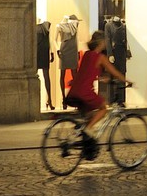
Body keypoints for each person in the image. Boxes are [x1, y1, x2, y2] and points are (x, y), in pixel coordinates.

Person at [65, 30, 130, 158]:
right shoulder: (100, 57)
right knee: (103, 108)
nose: (106, 43)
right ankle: (88, 130)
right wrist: (127, 81)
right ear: (100, 42)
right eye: (105, 41)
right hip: (85, 91)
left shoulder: (87, 55)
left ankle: (81, 144)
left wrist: (103, 78)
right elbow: (114, 72)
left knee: (89, 116)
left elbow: (88, 72)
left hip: (75, 90)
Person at [36, 19, 54, 111]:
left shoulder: (33, 26)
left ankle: (48, 100)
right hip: (43, 51)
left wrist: (52, 52)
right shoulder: (46, 26)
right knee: (46, 76)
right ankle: (49, 100)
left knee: (38, 76)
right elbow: (49, 40)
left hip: (37, 52)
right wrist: (52, 52)